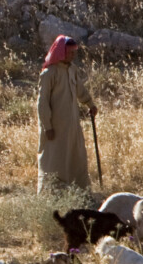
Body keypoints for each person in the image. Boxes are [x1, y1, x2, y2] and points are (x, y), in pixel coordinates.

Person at [36, 34, 97, 194]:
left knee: (76, 158)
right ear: (61, 52)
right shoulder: (49, 73)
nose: (73, 56)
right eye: (70, 53)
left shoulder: (72, 70)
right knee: (54, 160)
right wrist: (47, 126)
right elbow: (42, 103)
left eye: (74, 52)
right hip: (55, 129)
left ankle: (79, 193)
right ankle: (51, 195)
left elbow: (80, 90)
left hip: (72, 126)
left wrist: (90, 104)